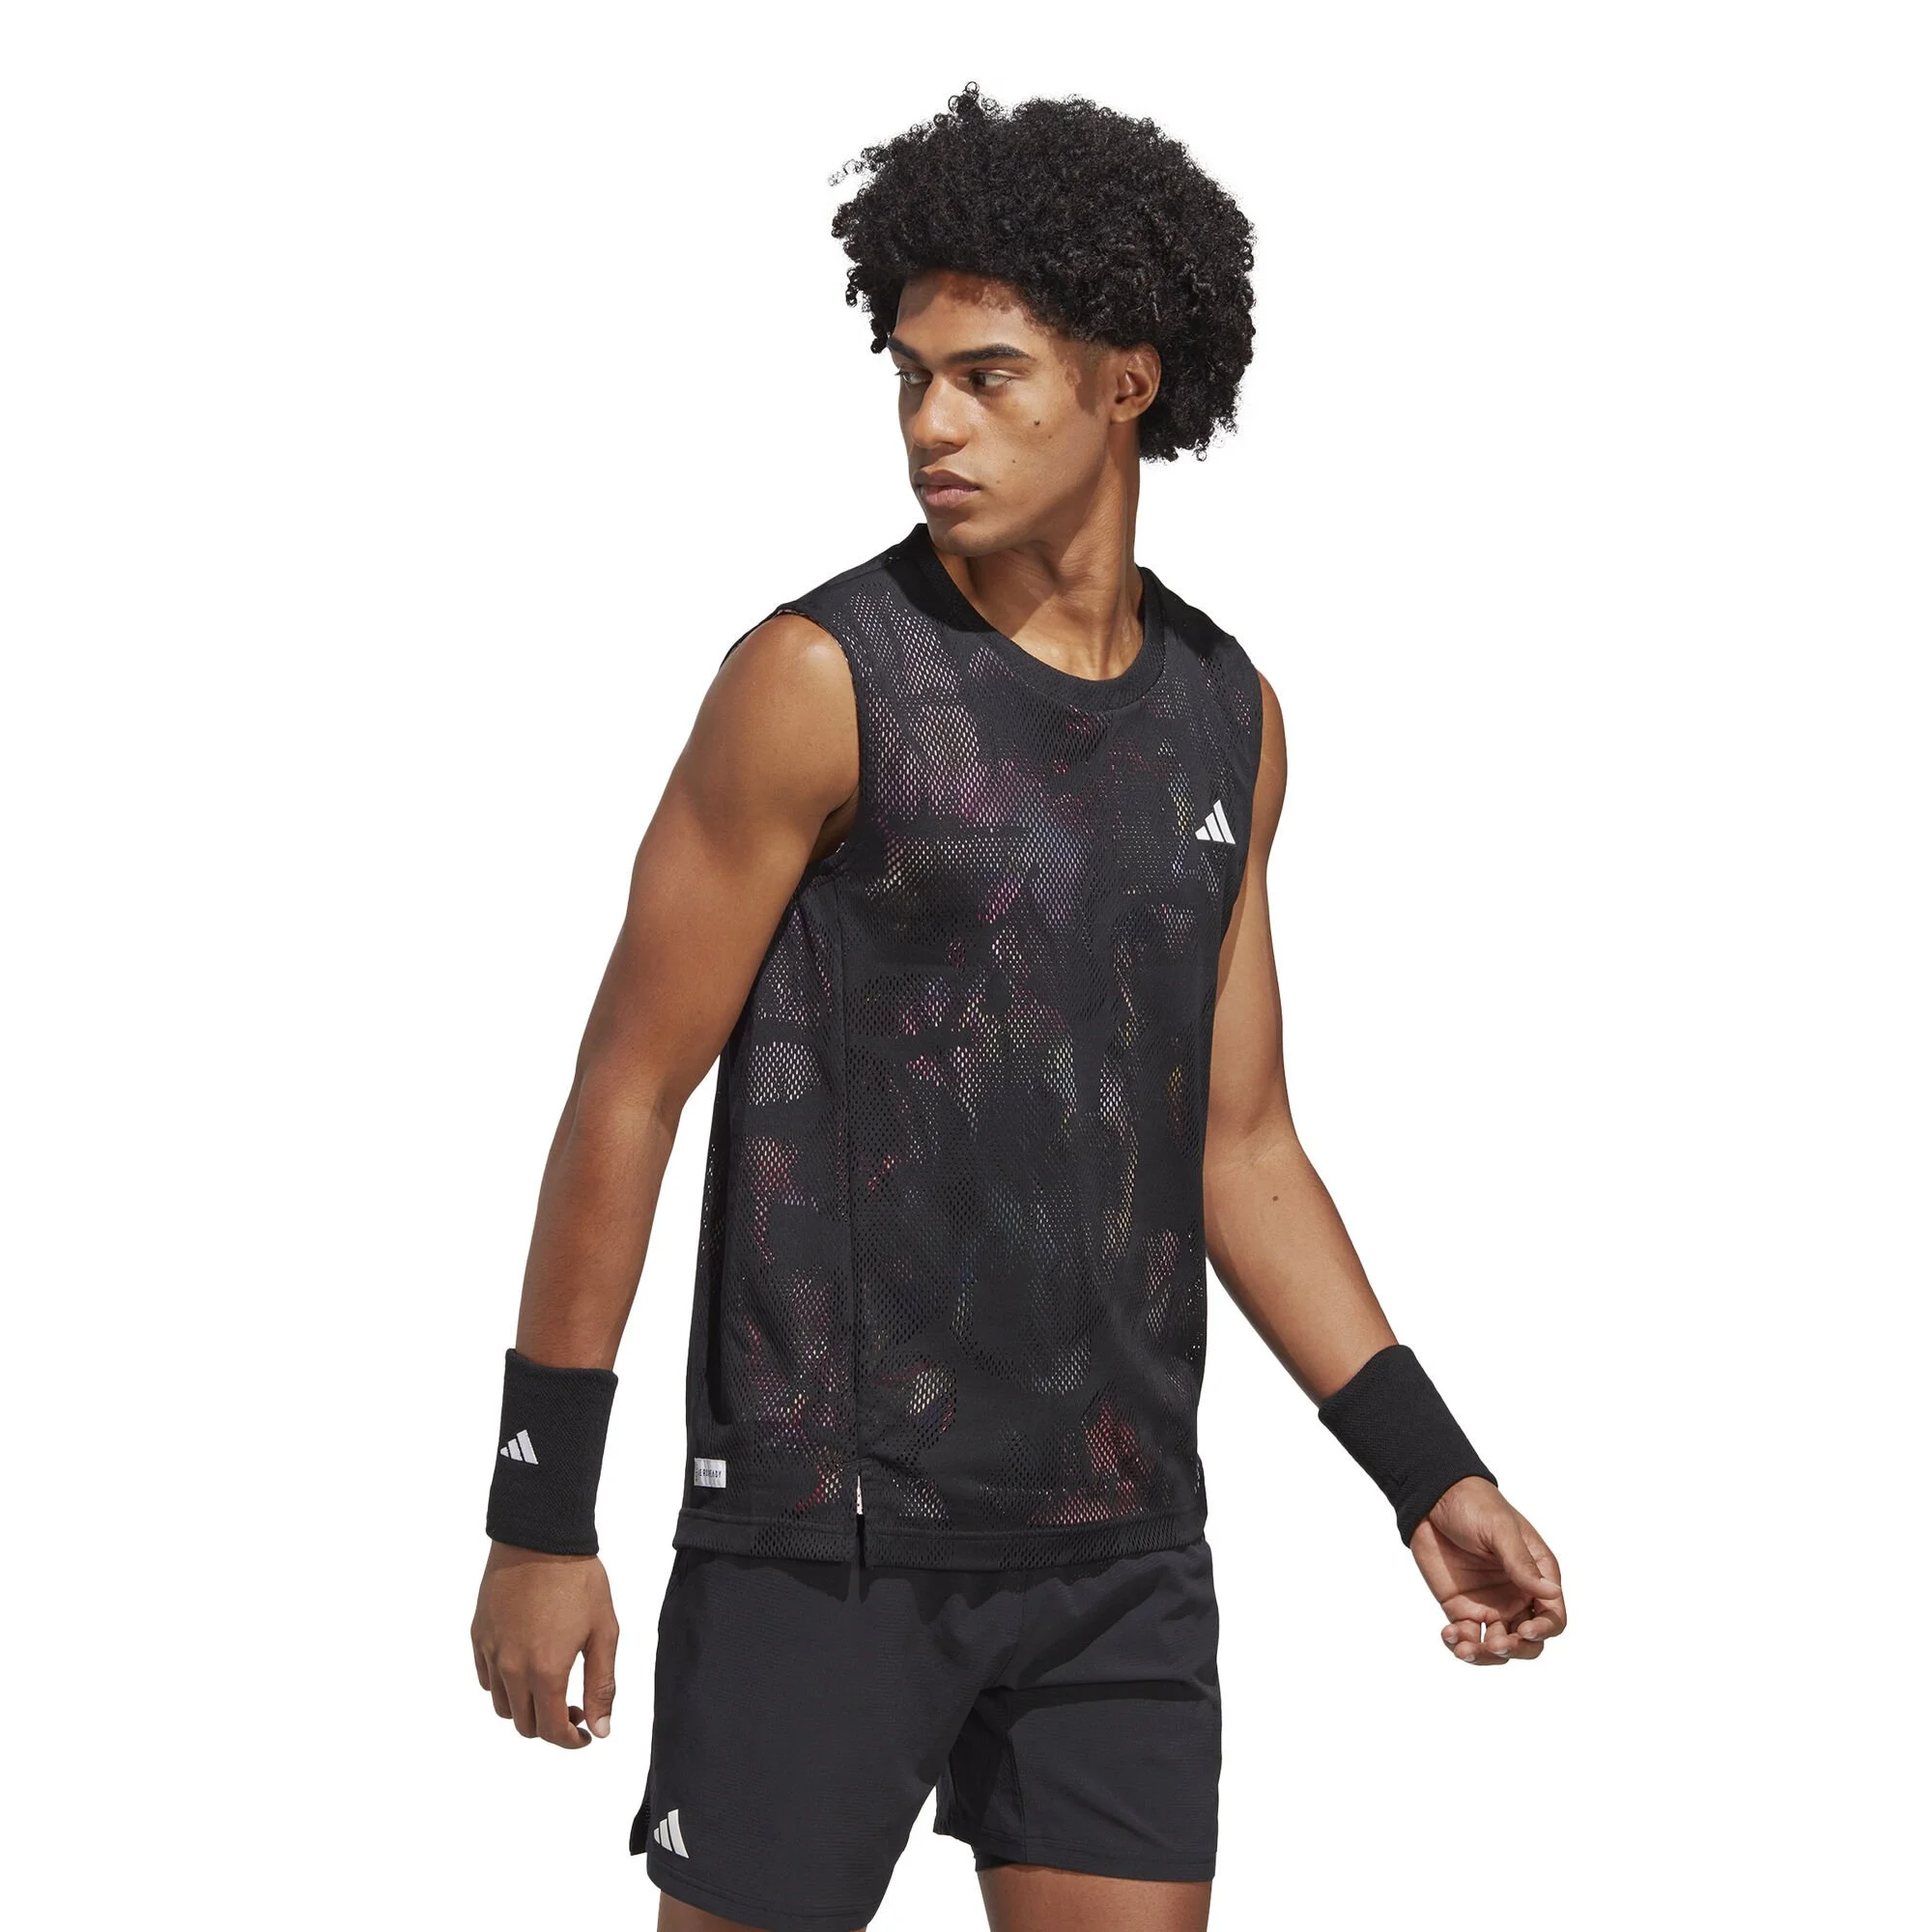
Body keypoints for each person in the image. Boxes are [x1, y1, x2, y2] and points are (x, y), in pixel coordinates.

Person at [469, 81, 1567, 1932]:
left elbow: (1237, 1144)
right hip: (826, 1539)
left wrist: (1426, 1470)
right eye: (909, 376)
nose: (931, 424)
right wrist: (537, 1513)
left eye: (988, 378)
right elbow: (626, 1094)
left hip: (1118, 1554)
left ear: (1130, 381)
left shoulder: (1226, 716)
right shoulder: (817, 680)